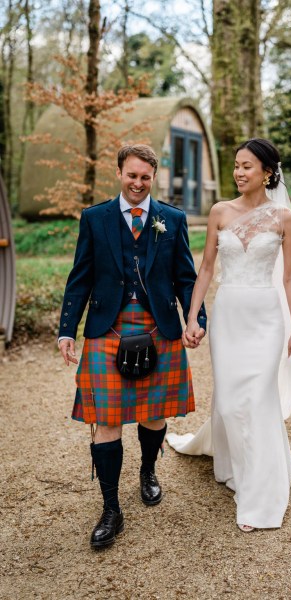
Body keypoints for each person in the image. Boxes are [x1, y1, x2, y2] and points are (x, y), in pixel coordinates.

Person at [58, 144, 206, 548]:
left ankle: (147, 471)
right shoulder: (95, 218)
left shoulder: (172, 220)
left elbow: (186, 278)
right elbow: (80, 278)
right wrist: (67, 329)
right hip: (108, 329)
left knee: (153, 412)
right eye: (131, 175)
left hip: (158, 326)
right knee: (106, 419)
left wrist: (197, 320)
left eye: (145, 177)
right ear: (119, 172)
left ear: (153, 177)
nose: (138, 183)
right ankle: (110, 508)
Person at [167, 138, 291, 532]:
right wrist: (193, 318)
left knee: (259, 399)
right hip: (229, 316)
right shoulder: (219, 212)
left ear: (267, 172)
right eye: (235, 165)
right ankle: (233, 463)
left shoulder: (286, 219)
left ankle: (259, 491)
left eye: (246, 166)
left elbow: (289, 278)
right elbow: (207, 271)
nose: (238, 172)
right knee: (231, 403)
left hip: (266, 318)